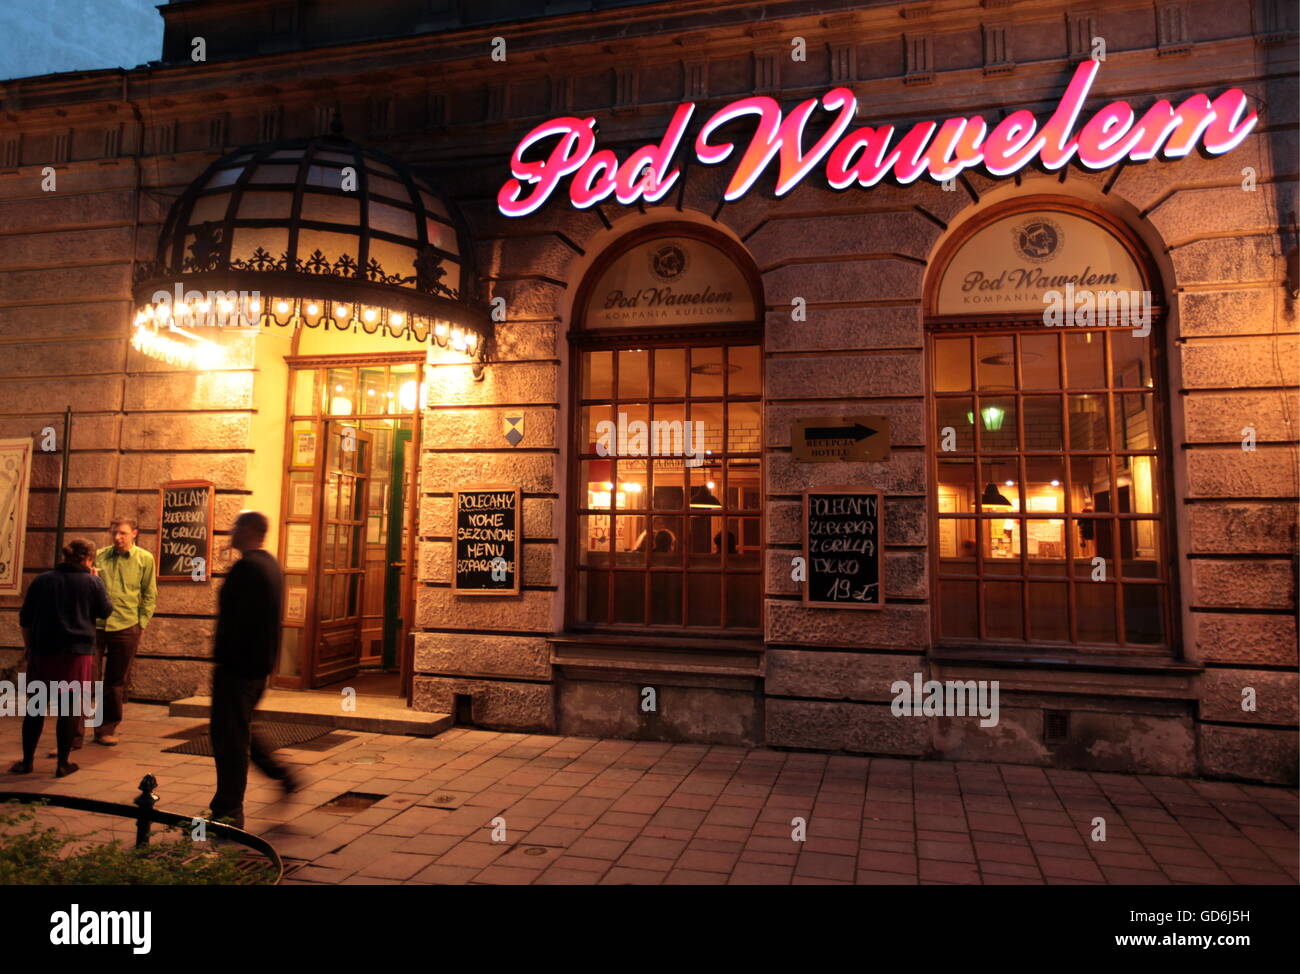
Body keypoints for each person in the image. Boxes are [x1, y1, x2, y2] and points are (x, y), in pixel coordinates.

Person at [207, 511, 298, 829]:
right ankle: (283, 775)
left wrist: (225, 658)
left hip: (238, 666)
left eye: (236, 526)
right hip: (257, 665)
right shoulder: (271, 565)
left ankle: (228, 810)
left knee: (229, 738)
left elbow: (238, 619)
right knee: (242, 728)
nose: (231, 531)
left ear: (249, 530)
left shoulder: (247, 567)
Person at [10, 540, 112, 778]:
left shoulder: (43, 580)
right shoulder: (92, 582)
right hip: (76, 654)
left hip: (43, 651)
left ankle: (27, 762)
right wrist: (96, 580)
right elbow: (105, 611)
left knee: (35, 708)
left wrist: (29, 646)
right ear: (89, 559)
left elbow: (25, 617)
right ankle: (63, 764)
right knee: (69, 709)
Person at [80, 517, 156, 748]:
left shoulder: (145, 559)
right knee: (85, 679)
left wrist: (141, 623)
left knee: (115, 682)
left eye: (122, 533)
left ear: (134, 533)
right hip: (96, 626)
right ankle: (73, 734)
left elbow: (149, 593)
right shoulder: (100, 555)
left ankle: (105, 729)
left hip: (126, 625)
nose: (117, 537)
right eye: (114, 533)